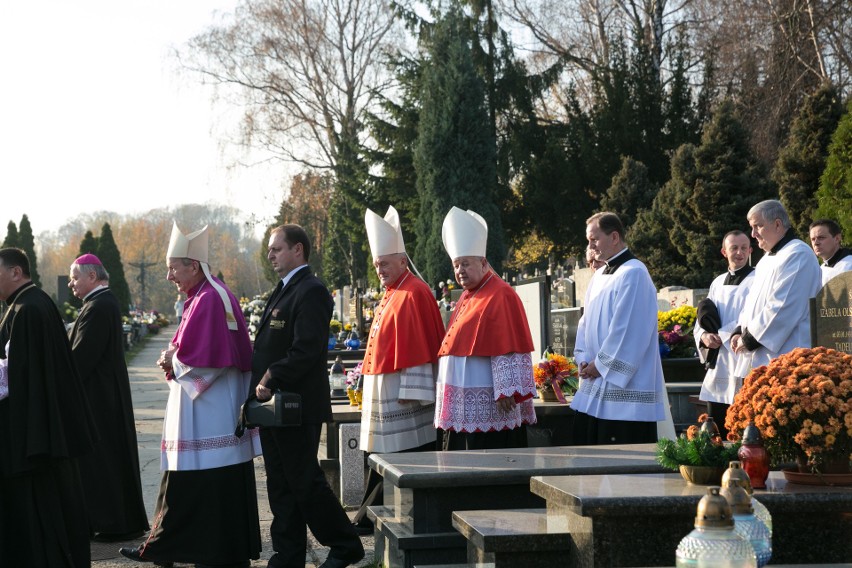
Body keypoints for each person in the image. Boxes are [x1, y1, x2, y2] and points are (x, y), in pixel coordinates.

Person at [120, 222, 261, 568]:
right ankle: (174, 549)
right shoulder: (205, 296)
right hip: (209, 410)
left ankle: (182, 550)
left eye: (173, 268)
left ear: (193, 265)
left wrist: (174, 360)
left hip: (209, 412)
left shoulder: (209, 299)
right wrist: (176, 359)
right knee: (198, 482)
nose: (169, 277)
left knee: (201, 482)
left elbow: (210, 363)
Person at [252, 225, 364, 568]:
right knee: (281, 484)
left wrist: (271, 375)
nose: (270, 254)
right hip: (273, 405)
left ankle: (346, 544)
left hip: (296, 403)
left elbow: (306, 350)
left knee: (304, 482)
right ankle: (288, 556)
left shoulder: (311, 291)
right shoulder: (285, 289)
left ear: (298, 250)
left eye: (276, 248)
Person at [0, 247, 97, 567]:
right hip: (37, 426)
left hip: (31, 433)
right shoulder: (26, 304)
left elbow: (16, 375)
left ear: (16, 272)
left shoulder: (27, 309)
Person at [351, 206, 446, 533]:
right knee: (378, 453)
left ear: (403, 261)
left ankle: (376, 515)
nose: (380, 269)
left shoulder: (415, 292)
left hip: (401, 395)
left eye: (385, 263)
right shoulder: (392, 293)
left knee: (400, 454)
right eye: (377, 264)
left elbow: (418, 343)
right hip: (384, 389)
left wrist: (415, 392)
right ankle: (369, 514)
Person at [435, 207, 537, 450]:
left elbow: (508, 342)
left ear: (483, 263)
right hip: (461, 403)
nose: (460, 271)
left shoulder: (501, 294)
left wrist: (506, 389)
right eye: (457, 265)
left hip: (491, 402)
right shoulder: (467, 296)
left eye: (466, 264)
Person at [67, 253, 149, 541]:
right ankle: (116, 521)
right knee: (107, 461)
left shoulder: (99, 306)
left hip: (99, 400)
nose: (71, 284)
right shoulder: (101, 303)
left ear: (92, 276)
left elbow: (80, 358)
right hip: (102, 396)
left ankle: (113, 523)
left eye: (75, 277)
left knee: (103, 463)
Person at [570, 212, 669, 445]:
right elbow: (586, 322)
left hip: (624, 393)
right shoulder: (600, 274)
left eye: (594, 239)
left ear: (614, 237)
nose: (590, 246)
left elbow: (629, 331)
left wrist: (601, 365)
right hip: (594, 380)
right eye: (588, 240)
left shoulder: (634, 272)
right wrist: (583, 358)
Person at [732, 200, 822, 378]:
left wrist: (750, 338)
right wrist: (739, 330)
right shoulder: (767, 259)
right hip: (762, 357)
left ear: (778, 224)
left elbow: (782, 306)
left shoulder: (798, 254)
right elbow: (752, 302)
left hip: (788, 355)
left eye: (758, 226)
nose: (753, 234)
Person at [692, 232, 754, 439]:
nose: (739, 252)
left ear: (751, 250)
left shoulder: (757, 280)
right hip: (719, 360)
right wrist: (704, 337)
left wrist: (725, 335)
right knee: (716, 423)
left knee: (744, 423)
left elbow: (753, 317)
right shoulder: (717, 283)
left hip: (742, 356)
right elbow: (703, 317)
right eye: (734, 248)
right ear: (724, 252)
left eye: (744, 247)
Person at [809, 218, 852, 285]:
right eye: (813, 239)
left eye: (821, 238)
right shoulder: (821, 269)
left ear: (837, 239)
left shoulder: (849, 265)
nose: (816, 243)